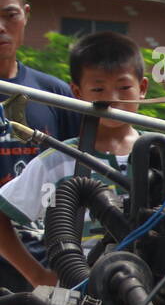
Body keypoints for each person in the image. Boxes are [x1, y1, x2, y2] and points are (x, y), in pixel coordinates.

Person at [0, 31, 142, 286]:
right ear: (77, 92)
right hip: (82, 300)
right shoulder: (57, 160)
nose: (114, 99)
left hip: (155, 291)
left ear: (142, 88)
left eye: (124, 87)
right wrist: (37, 275)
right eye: (99, 89)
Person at [0, 0, 81, 291]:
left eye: (10, 15)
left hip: (50, 268)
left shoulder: (55, 94)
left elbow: (81, 177)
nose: (1, 28)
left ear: (26, 14)